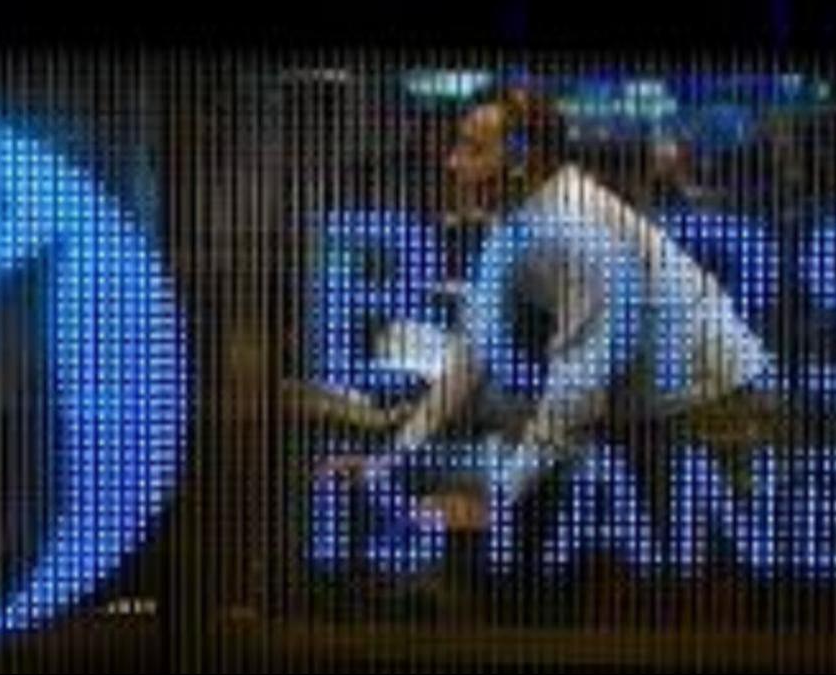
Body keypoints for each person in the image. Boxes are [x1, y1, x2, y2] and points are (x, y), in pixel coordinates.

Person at [324, 91, 773, 531]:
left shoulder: (572, 230)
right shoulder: (517, 220)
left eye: (472, 149)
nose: (452, 163)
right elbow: (469, 359)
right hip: (654, 412)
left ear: (521, 159)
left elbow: (578, 386)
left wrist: (497, 504)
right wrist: (385, 463)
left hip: (712, 414)